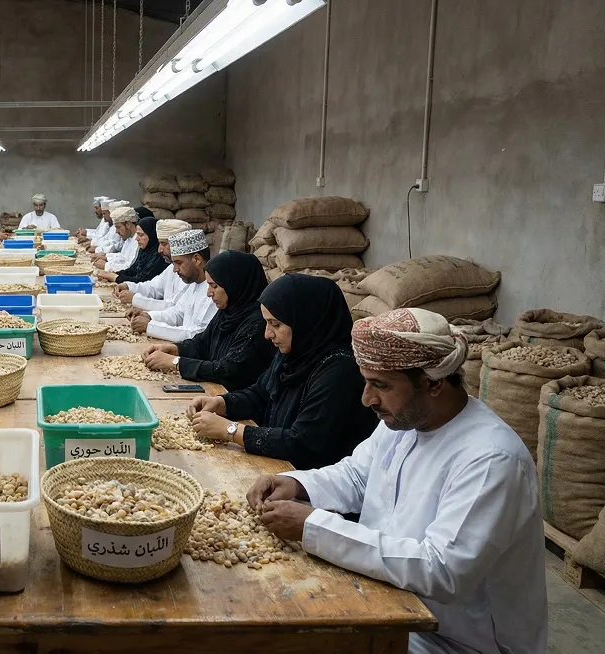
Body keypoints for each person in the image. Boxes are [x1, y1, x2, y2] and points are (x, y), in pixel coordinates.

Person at [247, 308, 547, 654]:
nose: (366, 399)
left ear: (434, 383)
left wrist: (313, 526)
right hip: (389, 601)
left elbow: (442, 570)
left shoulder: (491, 459)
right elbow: (358, 475)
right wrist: (297, 484)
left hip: (455, 641)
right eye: (367, 381)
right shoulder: (405, 419)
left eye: (381, 385)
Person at [187, 273, 378, 470]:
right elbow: (261, 394)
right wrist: (221, 403)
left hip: (310, 484)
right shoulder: (295, 352)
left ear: (305, 320)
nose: (267, 334)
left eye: (276, 324)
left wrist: (230, 430)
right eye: (267, 323)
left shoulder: (340, 371)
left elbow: (303, 442)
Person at [142, 250, 276, 392]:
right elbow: (202, 343)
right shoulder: (228, 312)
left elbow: (228, 370)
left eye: (214, 286)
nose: (209, 293)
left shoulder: (258, 323)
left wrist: (175, 362)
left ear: (234, 284)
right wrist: (174, 349)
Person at [128, 229, 217, 342]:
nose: (175, 269)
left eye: (179, 263)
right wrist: (149, 316)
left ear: (197, 259)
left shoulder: (215, 290)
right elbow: (178, 313)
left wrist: (151, 326)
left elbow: (198, 335)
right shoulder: (193, 283)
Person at [114, 218, 189, 310]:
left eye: (164, 244)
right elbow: (153, 287)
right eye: (159, 243)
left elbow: (174, 310)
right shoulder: (171, 268)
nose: (159, 250)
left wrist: (136, 299)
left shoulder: (190, 274)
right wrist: (128, 286)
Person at [97, 214, 168, 285]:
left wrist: (115, 277)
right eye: (137, 235)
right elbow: (132, 270)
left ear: (152, 235)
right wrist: (112, 274)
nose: (137, 238)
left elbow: (142, 281)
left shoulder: (159, 256)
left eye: (141, 235)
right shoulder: (144, 250)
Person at [91, 206, 140, 274]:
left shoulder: (138, 240)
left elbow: (129, 267)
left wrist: (106, 266)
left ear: (128, 224)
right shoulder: (129, 238)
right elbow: (122, 257)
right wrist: (106, 257)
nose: (116, 231)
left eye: (118, 227)